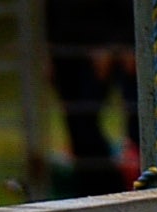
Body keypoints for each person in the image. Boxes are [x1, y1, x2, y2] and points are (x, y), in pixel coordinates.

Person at [46, 0, 135, 196]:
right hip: (64, 51)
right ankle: (88, 191)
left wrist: (110, 45)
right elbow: (51, 10)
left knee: (86, 124)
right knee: (75, 126)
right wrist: (49, 51)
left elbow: (123, 10)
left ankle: (111, 189)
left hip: (95, 53)